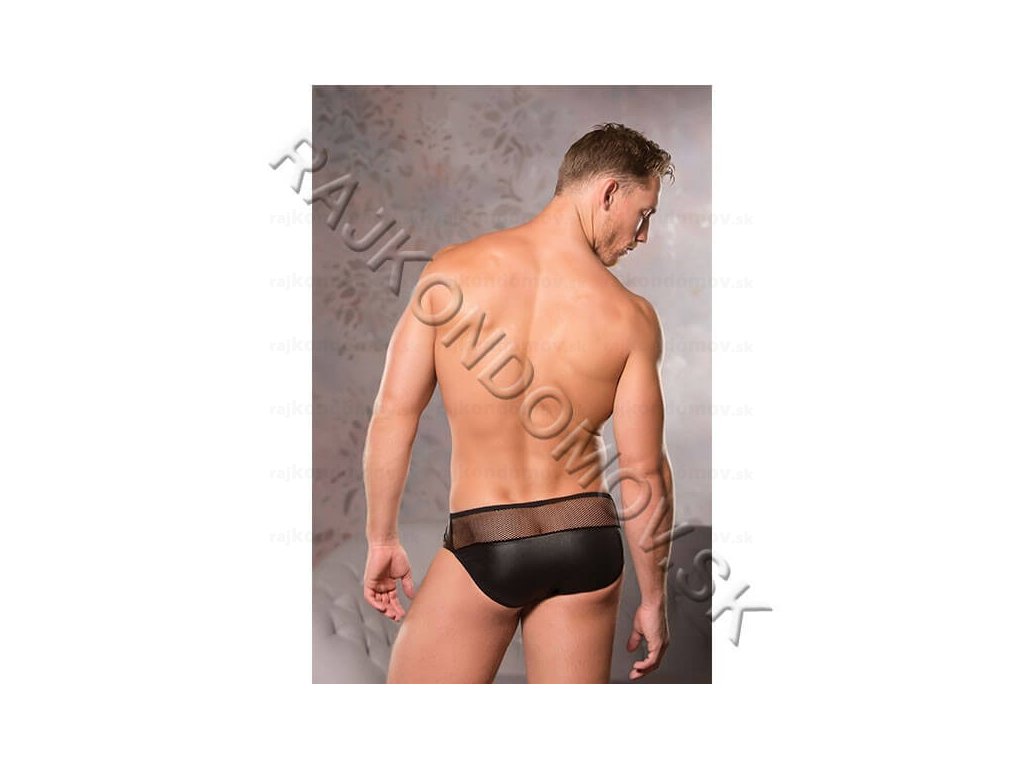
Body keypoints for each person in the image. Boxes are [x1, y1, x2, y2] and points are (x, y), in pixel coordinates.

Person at [361, 123, 677, 683]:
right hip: (585, 541)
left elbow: (394, 413)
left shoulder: (450, 274)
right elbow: (644, 471)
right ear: (607, 192)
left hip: (488, 535)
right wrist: (653, 598)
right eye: (643, 214)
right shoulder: (632, 316)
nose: (643, 235)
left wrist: (382, 538)